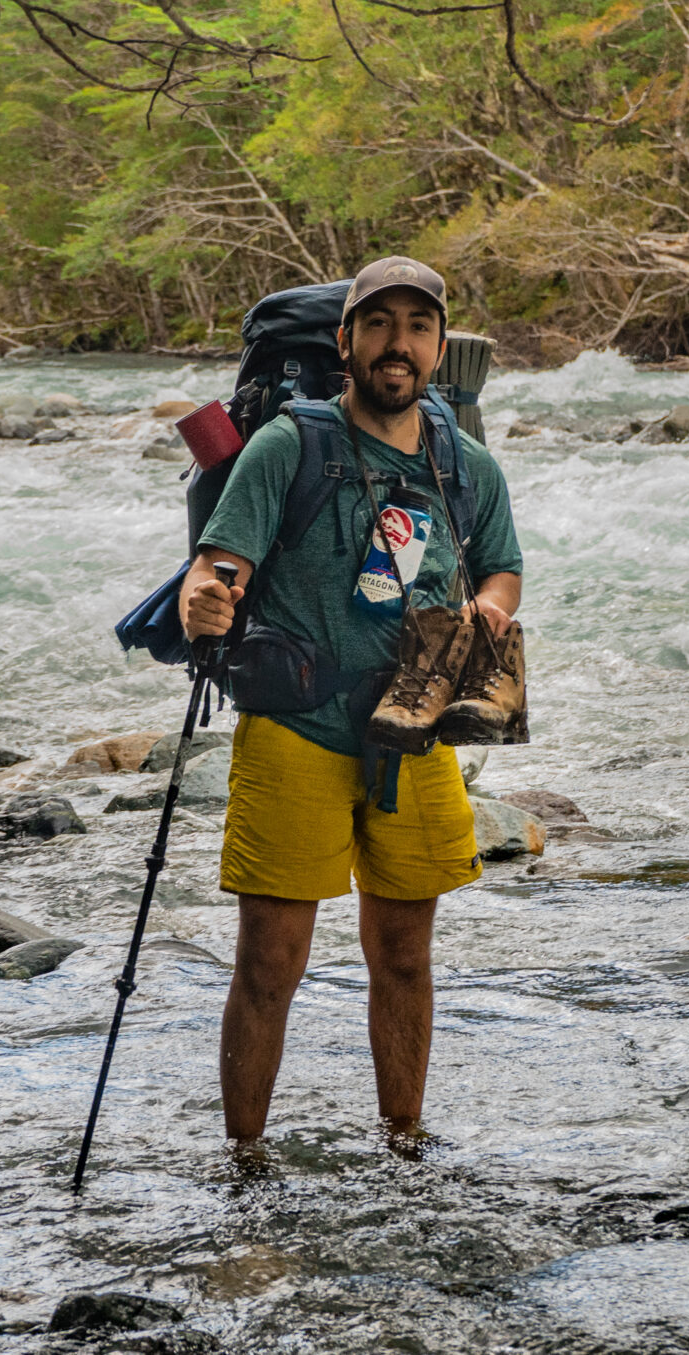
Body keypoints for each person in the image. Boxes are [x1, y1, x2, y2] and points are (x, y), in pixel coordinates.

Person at [179, 257, 524, 1146]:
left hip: (417, 730)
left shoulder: (464, 461)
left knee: (406, 956)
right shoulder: (289, 445)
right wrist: (205, 598)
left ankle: (404, 1141)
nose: (396, 342)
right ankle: (244, 1159)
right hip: (298, 724)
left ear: (440, 348)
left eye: (416, 325)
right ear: (346, 342)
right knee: (269, 964)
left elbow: (502, 563)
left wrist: (490, 608)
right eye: (378, 324)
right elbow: (219, 563)